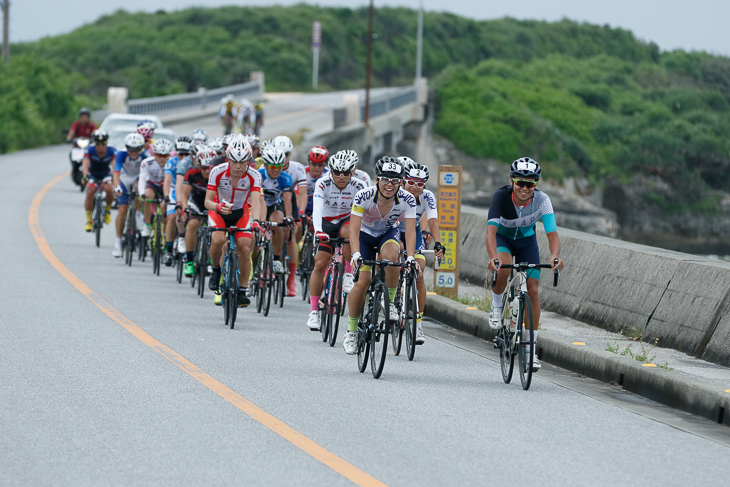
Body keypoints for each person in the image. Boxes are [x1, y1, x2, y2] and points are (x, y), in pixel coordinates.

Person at [486, 157, 564, 371]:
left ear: (536, 185)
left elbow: (552, 234)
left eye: (530, 184)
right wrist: (492, 256)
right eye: (520, 183)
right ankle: (496, 304)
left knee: (533, 290)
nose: (524, 188)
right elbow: (491, 231)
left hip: (526, 243)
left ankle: (530, 349)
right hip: (503, 239)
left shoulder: (542, 200)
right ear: (512, 181)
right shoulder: (501, 197)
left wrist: (555, 256)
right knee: (503, 265)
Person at [343, 157, 418, 355]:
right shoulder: (363, 196)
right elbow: (353, 229)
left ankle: (390, 303)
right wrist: (356, 253)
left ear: (401, 181)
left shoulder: (408, 199)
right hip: (364, 237)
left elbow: (410, 232)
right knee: (362, 282)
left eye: (395, 180)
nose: (389, 185)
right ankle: (351, 331)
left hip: (387, 234)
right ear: (377, 179)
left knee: (393, 256)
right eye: (385, 179)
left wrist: (410, 257)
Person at [306, 151, 366, 330]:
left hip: (346, 221)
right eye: (337, 173)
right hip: (326, 222)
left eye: (346, 173)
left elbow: (365, 212)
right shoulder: (322, 183)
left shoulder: (359, 185)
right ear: (330, 171)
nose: (341, 177)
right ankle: (314, 311)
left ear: (352, 172)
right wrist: (318, 231)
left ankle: (348, 274)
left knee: (350, 233)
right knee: (320, 264)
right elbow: (317, 208)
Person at [205, 134, 263, 307]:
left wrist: (257, 221)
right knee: (217, 240)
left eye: (243, 162)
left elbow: (256, 201)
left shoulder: (254, 175)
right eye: (234, 162)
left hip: (240, 212)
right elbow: (207, 202)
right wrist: (217, 207)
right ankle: (216, 270)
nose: (238, 166)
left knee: (245, 247)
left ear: (248, 161)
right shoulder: (217, 171)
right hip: (219, 211)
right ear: (228, 159)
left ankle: (242, 291)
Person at [397, 161, 445, 344]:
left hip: (413, 232)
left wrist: (439, 242)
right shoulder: (396, 193)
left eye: (420, 183)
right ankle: (389, 299)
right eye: (411, 182)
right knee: (392, 254)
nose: (416, 187)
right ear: (403, 181)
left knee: (419, 272)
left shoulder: (427, 196)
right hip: (393, 229)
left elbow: (433, 220)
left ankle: (418, 323)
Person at [273, 135, 308, 296]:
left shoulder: (297, 168)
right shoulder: (266, 166)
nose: (283, 157)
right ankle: (266, 266)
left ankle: (291, 279)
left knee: (290, 236)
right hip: (270, 201)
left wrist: (300, 213)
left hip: (288, 202)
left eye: (286, 154)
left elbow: (302, 194)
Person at [112, 133, 149, 257]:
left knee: (139, 188)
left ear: (141, 148)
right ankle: (118, 242)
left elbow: (147, 175)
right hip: (124, 179)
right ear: (126, 148)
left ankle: (138, 215)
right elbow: (116, 172)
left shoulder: (145, 156)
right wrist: (117, 186)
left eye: (137, 149)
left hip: (138, 179)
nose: (133, 153)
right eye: (131, 149)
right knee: (122, 211)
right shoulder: (121, 154)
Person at [180, 146, 215, 277]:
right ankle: (189, 262)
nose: (206, 171)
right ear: (198, 165)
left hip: (211, 203)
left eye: (209, 168)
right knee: (193, 224)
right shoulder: (192, 172)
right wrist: (185, 209)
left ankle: (213, 259)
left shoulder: (218, 174)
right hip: (196, 201)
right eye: (203, 168)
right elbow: (184, 195)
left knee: (215, 228)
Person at [259, 147, 294, 276]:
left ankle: (276, 259)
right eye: (273, 167)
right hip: (259, 203)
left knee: (278, 224)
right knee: (256, 232)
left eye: (279, 167)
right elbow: (254, 198)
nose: (277, 170)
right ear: (265, 165)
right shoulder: (259, 175)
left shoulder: (285, 178)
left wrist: (289, 217)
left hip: (274, 205)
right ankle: (254, 265)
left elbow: (287, 198)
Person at [81, 129, 116, 232]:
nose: (100, 147)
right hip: (93, 174)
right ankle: (88, 220)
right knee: (90, 191)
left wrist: (115, 177)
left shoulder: (112, 150)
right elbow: (85, 164)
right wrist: (85, 175)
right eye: (98, 144)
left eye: (103, 144)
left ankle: (107, 211)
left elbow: (115, 166)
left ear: (106, 143)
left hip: (106, 174)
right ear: (94, 143)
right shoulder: (89, 150)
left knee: (109, 189)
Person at [138, 139, 174, 238]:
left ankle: (165, 233)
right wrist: (142, 194)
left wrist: (167, 198)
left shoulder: (173, 163)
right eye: (159, 156)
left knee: (165, 208)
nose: (162, 159)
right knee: (148, 196)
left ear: (169, 155)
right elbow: (142, 179)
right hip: (152, 184)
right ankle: (147, 225)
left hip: (167, 186)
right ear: (154, 154)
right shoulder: (147, 162)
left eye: (165, 156)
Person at [304, 146, 329, 217]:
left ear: (325, 164)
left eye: (320, 164)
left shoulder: (329, 175)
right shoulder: (302, 172)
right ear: (309, 162)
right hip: (304, 205)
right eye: (314, 164)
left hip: (322, 206)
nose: (317, 167)